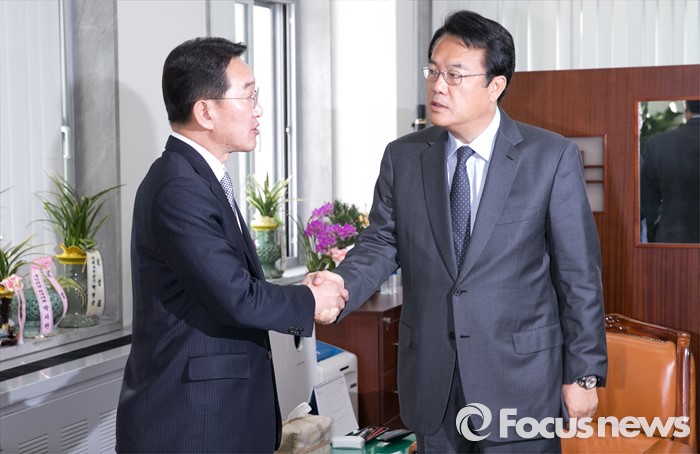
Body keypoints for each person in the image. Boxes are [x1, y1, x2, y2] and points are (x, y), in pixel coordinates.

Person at [309, 10, 607, 453]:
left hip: (520, 382)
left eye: (455, 74)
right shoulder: (403, 157)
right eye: (432, 71)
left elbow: (578, 275)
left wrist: (583, 374)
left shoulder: (550, 157)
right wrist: (339, 285)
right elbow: (382, 242)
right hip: (434, 381)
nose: (437, 85)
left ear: (495, 85)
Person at [115, 37, 346, 453]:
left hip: (214, 418)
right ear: (205, 111)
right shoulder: (179, 187)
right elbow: (236, 298)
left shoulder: (199, 177)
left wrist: (301, 291)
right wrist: (311, 300)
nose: (259, 110)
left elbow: (226, 282)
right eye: (248, 96)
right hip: (191, 426)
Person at [641, 100, 700, 243]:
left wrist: (654, 228)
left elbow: (647, 200)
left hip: (672, 237)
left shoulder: (657, 144)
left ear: (686, 108)